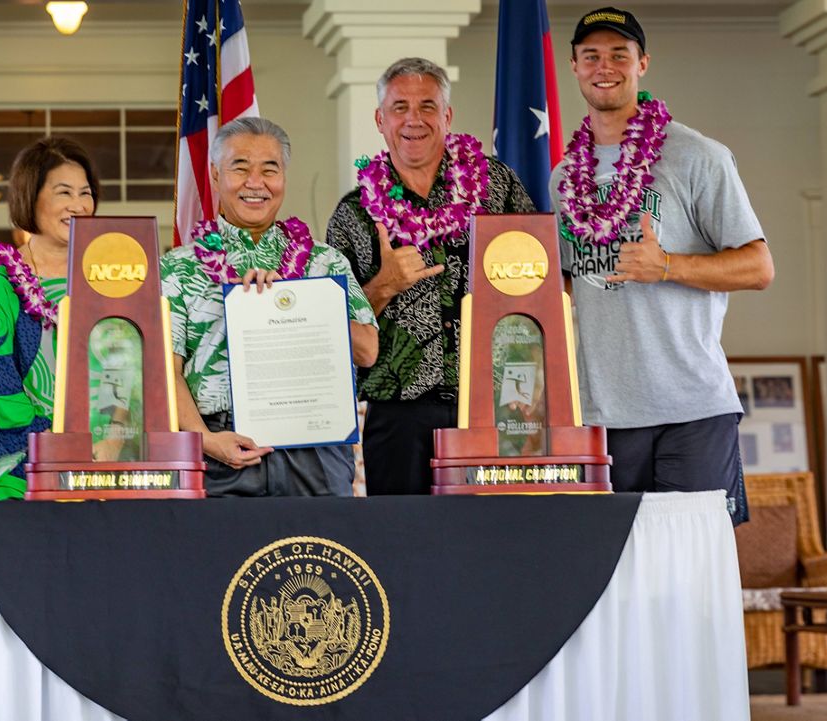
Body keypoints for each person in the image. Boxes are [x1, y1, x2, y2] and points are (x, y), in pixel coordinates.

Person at [550, 7, 773, 523]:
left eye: (619, 54)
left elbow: (759, 267)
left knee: (695, 568)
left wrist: (668, 265)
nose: (605, 66)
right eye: (591, 56)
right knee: (618, 577)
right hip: (601, 413)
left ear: (642, 63)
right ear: (575, 67)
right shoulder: (563, 178)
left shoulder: (697, 156)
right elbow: (561, 288)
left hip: (691, 409)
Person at [326, 57, 536, 495]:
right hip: (399, 407)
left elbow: (538, 284)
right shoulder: (353, 213)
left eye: (427, 105)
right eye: (400, 107)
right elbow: (333, 328)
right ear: (380, 120)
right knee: (401, 544)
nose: (414, 120)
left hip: (497, 400)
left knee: (494, 540)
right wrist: (384, 284)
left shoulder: (498, 188)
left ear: (448, 115)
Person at [161, 117, 379, 497]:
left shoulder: (325, 262)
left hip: (316, 445)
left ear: (284, 178)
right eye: (240, 167)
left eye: (269, 169)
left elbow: (367, 350)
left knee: (322, 553)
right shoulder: (180, 267)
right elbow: (166, 369)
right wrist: (205, 441)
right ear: (215, 175)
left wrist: (299, 302)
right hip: (219, 446)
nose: (255, 182)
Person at [0, 137, 139, 500]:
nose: (78, 205)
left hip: (101, 468)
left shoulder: (108, 275)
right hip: (22, 473)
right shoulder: (1, 280)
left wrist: (111, 439)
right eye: (64, 192)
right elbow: (1, 382)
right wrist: (61, 449)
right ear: (31, 197)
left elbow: (123, 365)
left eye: (86, 193)